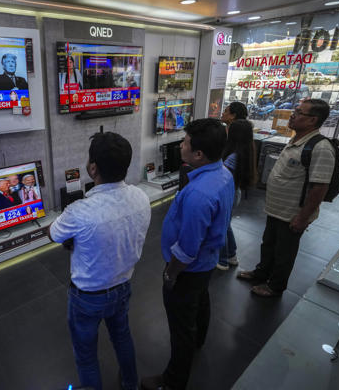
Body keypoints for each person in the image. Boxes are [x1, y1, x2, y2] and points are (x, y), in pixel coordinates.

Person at [49, 132, 151, 390]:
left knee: (86, 356)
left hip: (87, 297)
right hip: (123, 285)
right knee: (122, 337)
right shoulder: (141, 197)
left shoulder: (80, 211)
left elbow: (53, 233)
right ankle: (130, 384)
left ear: (93, 167)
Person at [142, 119, 234, 390]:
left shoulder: (199, 194)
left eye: (184, 143)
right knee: (200, 302)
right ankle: (198, 341)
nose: (180, 146)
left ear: (198, 154)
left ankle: (172, 381)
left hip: (188, 268)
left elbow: (188, 247)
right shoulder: (223, 173)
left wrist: (171, 273)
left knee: (180, 326)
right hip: (206, 263)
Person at [237, 99, 336, 297]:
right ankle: (261, 273)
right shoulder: (297, 140)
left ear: (312, 120)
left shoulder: (321, 148)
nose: (292, 114)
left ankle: (275, 286)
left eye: (299, 112)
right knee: (269, 244)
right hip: (276, 209)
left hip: (293, 214)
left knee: (284, 252)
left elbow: (320, 187)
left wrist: (303, 216)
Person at [216, 119, 257, 270]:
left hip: (229, 195)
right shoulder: (246, 151)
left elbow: (224, 178)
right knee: (226, 225)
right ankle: (231, 255)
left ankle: (222, 260)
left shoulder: (233, 156)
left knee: (221, 226)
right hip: (235, 193)